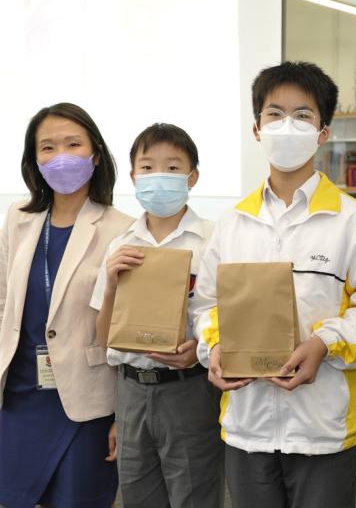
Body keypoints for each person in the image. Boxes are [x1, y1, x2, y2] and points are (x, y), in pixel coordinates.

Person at [193, 61, 356, 508]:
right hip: (247, 422)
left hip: (322, 425)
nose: (287, 125)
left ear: (323, 132)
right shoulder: (233, 223)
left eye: (302, 115)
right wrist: (215, 346)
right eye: (275, 114)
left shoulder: (352, 220)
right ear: (256, 129)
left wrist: (325, 344)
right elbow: (207, 305)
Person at [0, 103, 132, 508]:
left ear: (95, 154)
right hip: (21, 392)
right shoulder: (18, 217)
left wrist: (122, 414)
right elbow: (0, 307)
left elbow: (124, 332)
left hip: (85, 399)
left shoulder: (122, 228)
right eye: (48, 147)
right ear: (35, 159)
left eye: (73, 144)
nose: (61, 156)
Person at [91, 123, 222, 507]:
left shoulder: (214, 240)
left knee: (194, 495)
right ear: (133, 176)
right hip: (131, 390)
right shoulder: (120, 244)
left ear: (192, 177)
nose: (158, 176)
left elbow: (232, 318)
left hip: (189, 388)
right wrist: (112, 285)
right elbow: (105, 339)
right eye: (147, 167)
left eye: (172, 167)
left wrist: (198, 349)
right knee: (138, 496)